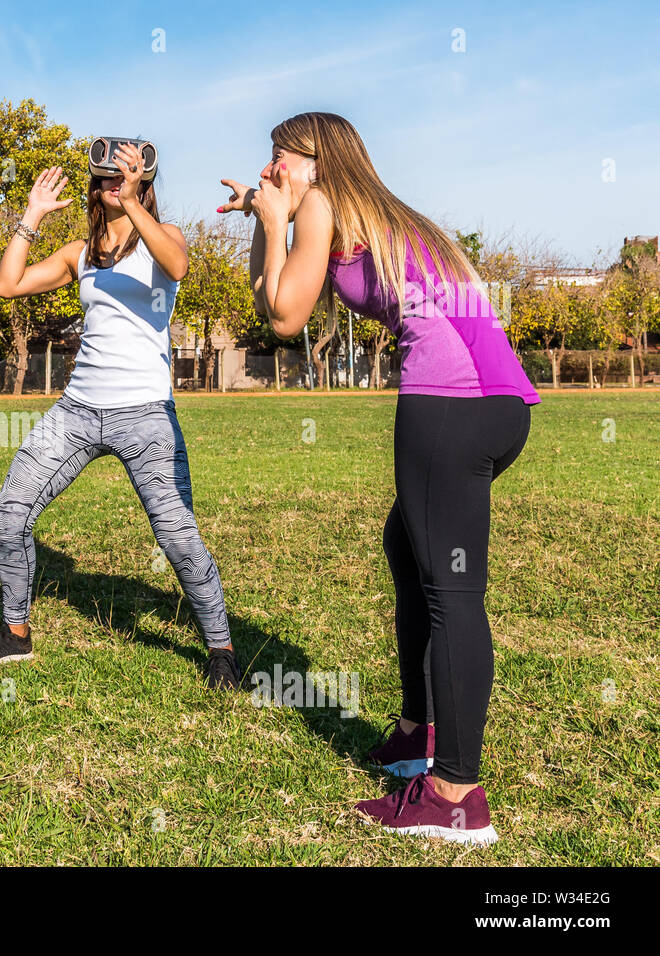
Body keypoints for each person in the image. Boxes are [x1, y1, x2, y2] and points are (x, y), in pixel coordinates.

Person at [219, 112, 538, 844]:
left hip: (450, 408)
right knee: (410, 548)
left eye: (280, 161)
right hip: (497, 407)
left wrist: (273, 223)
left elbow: (285, 317)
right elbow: (272, 299)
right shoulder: (382, 215)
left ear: (318, 161)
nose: (271, 173)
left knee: (452, 591)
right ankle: (414, 734)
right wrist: (264, 221)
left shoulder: (326, 203)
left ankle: (456, 794)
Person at [0, 141, 241, 690]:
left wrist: (133, 200)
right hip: (78, 410)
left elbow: (178, 264)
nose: (113, 185)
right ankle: (15, 635)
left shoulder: (166, 240)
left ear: (142, 185)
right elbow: (6, 285)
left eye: (126, 178)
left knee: (178, 537)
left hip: (146, 414)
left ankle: (222, 650)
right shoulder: (79, 253)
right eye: (107, 179)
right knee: (9, 514)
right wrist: (31, 217)